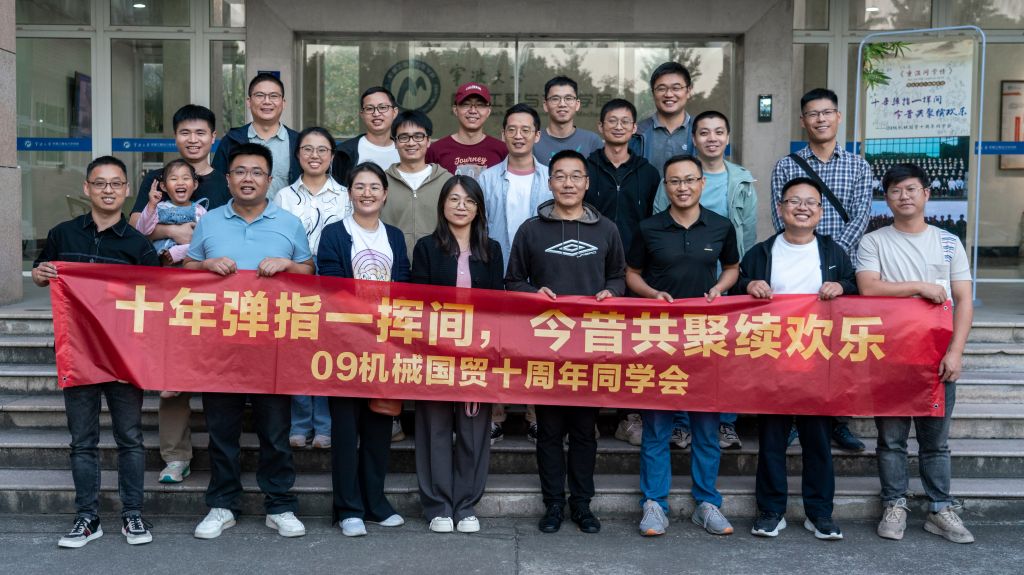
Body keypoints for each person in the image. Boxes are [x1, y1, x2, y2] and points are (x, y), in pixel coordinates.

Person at [185, 143, 313, 540]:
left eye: (257, 172)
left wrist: (289, 265)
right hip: (219, 345)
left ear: (269, 180)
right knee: (222, 432)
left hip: (272, 345)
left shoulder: (289, 223)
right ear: (227, 179)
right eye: (240, 171)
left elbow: (309, 271)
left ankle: (280, 505)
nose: (248, 179)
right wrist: (205, 264)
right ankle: (222, 504)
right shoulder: (210, 222)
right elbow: (186, 268)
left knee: (275, 432)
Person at [34, 156, 158, 548]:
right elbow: (41, 271)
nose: (108, 190)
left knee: (130, 438)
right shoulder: (62, 234)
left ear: (126, 190)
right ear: (86, 188)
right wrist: (39, 273)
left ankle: (132, 514)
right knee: (82, 440)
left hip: (123, 356)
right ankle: (87, 518)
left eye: (116, 183)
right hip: (78, 352)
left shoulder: (139, 245)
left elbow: (157, 299)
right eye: (100, 183)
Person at [505, 149, 626, 535]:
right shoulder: (530, 230)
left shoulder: (606, 229)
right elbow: (512, 281)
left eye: (576, 176)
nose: (568, 183)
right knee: (549, 431)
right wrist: (533, 293)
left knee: (585, 431)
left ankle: (582, 505)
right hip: (546, 346)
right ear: (550, 182)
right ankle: (554, 504)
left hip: (590, 348)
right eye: (560, 176)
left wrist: (611, 292)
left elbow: (618, 276)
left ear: (587, 183)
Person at [857, 163, 975, 545]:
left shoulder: (948, 242)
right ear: (886, 198)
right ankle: (894, 503)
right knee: (891, 440)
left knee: (935, 442)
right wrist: (920, 287)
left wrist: (956, 352)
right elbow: (868, 287)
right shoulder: (874, 241)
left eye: (911, 189)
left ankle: (940, 509)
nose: (904, 196)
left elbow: (963, 300)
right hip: (889, 356)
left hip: (937, 358)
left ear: (926, 194)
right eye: (895, 190)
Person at [737, 177, 856, 541]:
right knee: (772, 441)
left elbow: (856, 289)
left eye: (811, 202)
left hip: (819, 361)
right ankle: (771, 511)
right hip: (771, 360)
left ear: (820, 211)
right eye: (794, 201)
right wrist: (748, 286)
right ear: (780, 208)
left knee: (817, 441)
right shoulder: (761, 252)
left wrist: (842, 287)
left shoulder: (833, 253)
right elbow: (737, 288)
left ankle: (819, 513)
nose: (802, 208)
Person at [626, 154, 738, 537]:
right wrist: (651, 294)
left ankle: (707, 502)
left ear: (702, 183)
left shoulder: (720, 225)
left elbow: (733, 267)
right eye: (675, 181)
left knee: (706, 426)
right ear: (666, 186)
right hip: (659, 338)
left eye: (690, 180)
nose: (683, 187)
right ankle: (654, 504)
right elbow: (631, 273)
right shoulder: (648, 228)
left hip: (706, 339)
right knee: (657, 426)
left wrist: (720, 288)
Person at [127, 106, 229, 484]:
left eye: (200, 132)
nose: (193, 139)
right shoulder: (157, 179)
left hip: (215, 288)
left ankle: (224, 457)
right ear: (175, 138)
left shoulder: (225, 179)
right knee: (172, 373)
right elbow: (136, 226)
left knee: (218, 373)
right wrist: (173, 233)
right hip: (170, 291)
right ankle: (175, 456)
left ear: (213, 137)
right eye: (185, 132)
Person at [771, 88, 872, 453]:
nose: (821, 119)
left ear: (838, 117)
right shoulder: (787, 166)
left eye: (827, 112)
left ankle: (838, 421)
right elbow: (780, 215)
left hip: (842, 273)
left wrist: (831, 258)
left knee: (839, 349)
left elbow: (861, 216)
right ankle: (794, 419)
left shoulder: (859, 166)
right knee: (796, 347)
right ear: (803, 121)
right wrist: (808, 253)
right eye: (813, 114)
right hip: (797, 271)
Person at [656, 110, 759, 452]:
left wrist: (734, 280)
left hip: (722, 283)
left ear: (727, 137)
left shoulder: (741, 180)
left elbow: (747, 235)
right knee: (680, 355)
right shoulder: (675, 176)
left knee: (721, 357)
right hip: (679, 284)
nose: (711, 138)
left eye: (718, 132)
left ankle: (725, 423)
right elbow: (659, 223)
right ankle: (681, 423)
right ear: (693, 138)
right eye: (704, 132)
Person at [317, 162, 410, 537]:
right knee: (345, 429)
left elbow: (404, 285)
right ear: (349, 192)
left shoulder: (395, 236)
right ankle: (347, 508)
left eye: (374, 187)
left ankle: (375, 502)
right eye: (360, 186)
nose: (367, 193)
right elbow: (332, 286)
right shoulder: (334, 233)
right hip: (345, 346)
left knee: (379, 426)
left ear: (385, 194)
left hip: (385, 346)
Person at [410, 175, 504, 534]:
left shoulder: (491, 250)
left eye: (469, 201)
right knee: (434, 428)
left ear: (478, 209)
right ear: (442, 205)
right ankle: (438, 505)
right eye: (453, 199)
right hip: (435, 353)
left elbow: (499, 305)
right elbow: (417, 304)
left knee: (473, 430)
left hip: (476, 354)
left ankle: (465, 505)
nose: (461, 206)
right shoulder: (426, 247)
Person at [583, 98, 660, 448]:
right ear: (600, 127)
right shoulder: (586, 168)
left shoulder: (648, 172)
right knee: (589, 342)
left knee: (630, 346)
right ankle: (587, 416)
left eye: (624, 121)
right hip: (589, 266)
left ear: (634, 129)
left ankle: (627, 417)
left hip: (634, 269)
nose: (617, 126)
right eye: (611, 121)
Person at [478, 103, 552, 444]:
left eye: (525, 130)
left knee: (538, 347)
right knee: (497, 347)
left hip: (541, 277)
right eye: (512, 129)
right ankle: (496, 414)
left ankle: (535, 415)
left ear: (537, 135)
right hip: (498, 273)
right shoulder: (487, 178)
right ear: (503, 134)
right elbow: (479, 227)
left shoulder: (551, 177)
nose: (518, 135)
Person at [275, 127, 353, 451]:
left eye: (322, 150)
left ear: (332, 156)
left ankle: (324, 424)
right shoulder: (284, 197)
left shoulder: (346, 195)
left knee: (326, 353)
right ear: (298, 155)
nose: (315, 155)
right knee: (297, 352)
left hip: (333, 278)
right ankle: (299, 423)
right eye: (307, 149)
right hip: (294, 276)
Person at [213, 73, 301, 200]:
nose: (267, 101)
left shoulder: (298, 142)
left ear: (283, 103)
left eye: (273, 96)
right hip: (241, 212)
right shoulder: (232, 140)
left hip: (287, 213)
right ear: (249, 102)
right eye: (260, 95)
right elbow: (218, 185)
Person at [383, 109, 454, 255]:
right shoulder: (381, 182)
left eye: (418, 136)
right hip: (392, 262)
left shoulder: (447, 181)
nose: (411, 143)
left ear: (428, 141)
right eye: (404, 137)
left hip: (437, 262)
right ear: (395, 142)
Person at [426, 82, 507, 178]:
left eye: (480, 105)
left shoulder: (502, 150)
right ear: (455, 109)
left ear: (488, 111)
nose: (473, 111)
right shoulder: (435, 150)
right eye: (466, 104)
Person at [134, 159, 206, 266]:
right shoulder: (158, 208)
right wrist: (151, 205)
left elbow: (205, 241)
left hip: (189, 268)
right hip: (160, 268)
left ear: (195, 184)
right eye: (174, 179)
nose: (180, 182)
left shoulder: (200, 210)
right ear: (164, 186)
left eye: (186, 178)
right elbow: (142, 230)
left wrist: (180, 251)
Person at [631, 62, 695, 178]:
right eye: (661, 89)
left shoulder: (702, 131)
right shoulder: (637, 133)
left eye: (676, 88)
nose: (669, 94)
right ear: (653, 93)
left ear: (688, 91)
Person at [331, 86, 401, 183]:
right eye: (369, 109)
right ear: (362, 114)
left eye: (382, 107)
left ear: (394, 112)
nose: (376, 113)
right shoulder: (344, 152)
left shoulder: (406, 149)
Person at [533, 76, 603, 166]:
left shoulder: (592, 141)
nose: (562, 104)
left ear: (577, 104)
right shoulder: (533, 141)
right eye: (555, 99)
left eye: (568, 98)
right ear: (545, 105)